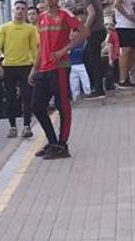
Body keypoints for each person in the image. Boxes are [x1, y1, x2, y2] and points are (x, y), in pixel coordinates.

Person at [30, 0, 88, 160]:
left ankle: (62, 145)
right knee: (36, 106)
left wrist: (64, 50)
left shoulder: (65, 14)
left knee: (62, 104)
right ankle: (53, 142)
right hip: (43, 67)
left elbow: (84, 32)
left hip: (60, 66)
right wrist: (34, 69)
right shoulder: (41, 17)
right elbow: (41, 45)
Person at [0, 1, 39, 138]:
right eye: (17, 8)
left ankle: (27, 126)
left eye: (22, 9)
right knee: (10, 98)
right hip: (8, 67)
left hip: (26, 66)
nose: (20, 11)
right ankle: (12, 126)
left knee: (27, 97)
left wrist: (34, 68)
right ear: (13, 10)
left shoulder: (31, 29)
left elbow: (35, 49)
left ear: (26, 12)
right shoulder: (4, 28)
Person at [82, 0, 108, 98]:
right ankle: (96, 86)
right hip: (99, 30)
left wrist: (85, 28)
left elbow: (92, 13)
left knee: (93, 60)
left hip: (95, 31)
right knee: (87, 57)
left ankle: (98, 89)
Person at [113, 0, 135, 88]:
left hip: (131, 26)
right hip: (123, 25)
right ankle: (122, 79)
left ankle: (126, 77)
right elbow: (117, 4)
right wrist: (128, 16)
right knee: (126, 51)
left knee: (133, 52)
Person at [68, 31, 91, 100]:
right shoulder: (69, 45)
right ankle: (75, 97)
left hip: (81, 65)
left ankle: (88, 93)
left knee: (85, 81)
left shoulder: (82, 44)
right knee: (74, 84)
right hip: (72, 65)